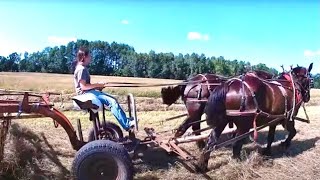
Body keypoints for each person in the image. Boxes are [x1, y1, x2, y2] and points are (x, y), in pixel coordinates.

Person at [73, 47, 134, 132]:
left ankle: (126, 121)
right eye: (89, 56)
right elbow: (83, 87)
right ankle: (127, 124)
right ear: (84, 57)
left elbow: (86, 85)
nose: (90, 58)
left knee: (113, 100)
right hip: (85, 94)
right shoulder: (81, 69)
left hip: (88, 92)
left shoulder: (81, 68)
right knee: (112, 101)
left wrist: (98, 86)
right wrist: (98, 85)